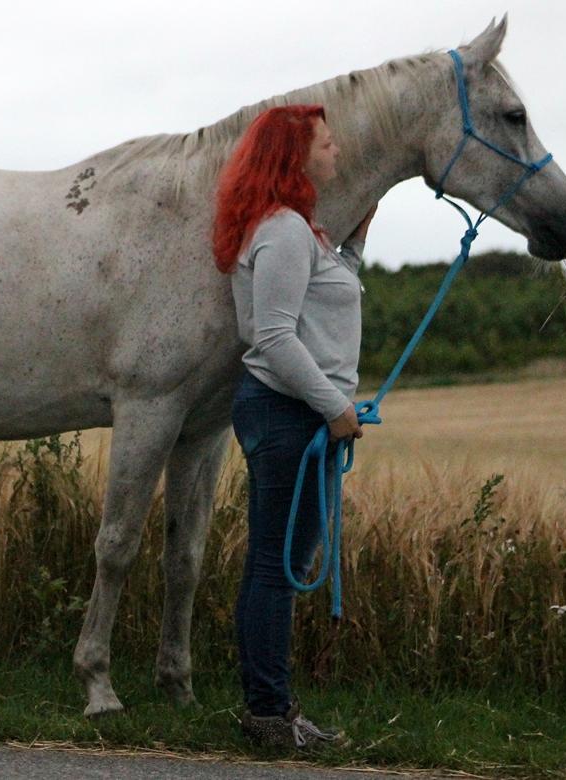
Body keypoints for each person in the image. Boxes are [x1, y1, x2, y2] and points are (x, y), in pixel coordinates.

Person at [212, 104, 376, 751]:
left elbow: (314, 311)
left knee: (277, 563)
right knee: (275, 567)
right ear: (295, 156)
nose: (336, 151)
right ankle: (269, 716)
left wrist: (356, 245)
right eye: (327, 143)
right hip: (288, 412)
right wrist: (334, 409)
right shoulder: (282, 231)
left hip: (289, 412)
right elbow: (273, 336)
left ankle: (272, 709)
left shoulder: (296, 231)